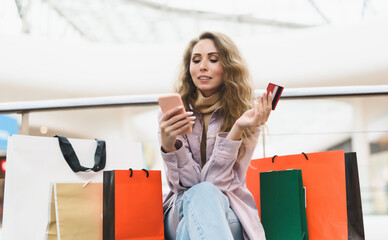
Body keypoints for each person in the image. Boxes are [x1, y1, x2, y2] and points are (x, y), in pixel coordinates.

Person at [158, 31, 272, 240]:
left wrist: (236, 129)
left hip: (227, 210)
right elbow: (185, 184)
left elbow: (218, 183)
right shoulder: (175, 112)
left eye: (213, 59)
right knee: (200, 194)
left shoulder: (245, 115)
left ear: (228, 67)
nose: (203, 66)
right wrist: (170, 145)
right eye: (196, 60)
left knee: (192, 223)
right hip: (180, 207)